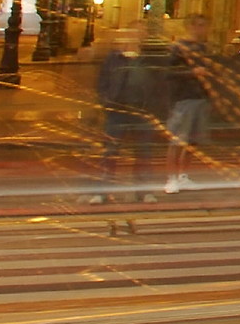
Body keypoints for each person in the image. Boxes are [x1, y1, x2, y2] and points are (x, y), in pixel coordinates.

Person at [89, 25, 150, 200]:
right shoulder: (114, 58)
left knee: (143, 152)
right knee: (110, 151)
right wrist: (105, 101)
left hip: (140, 109)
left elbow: (156, 83)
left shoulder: (146, 58)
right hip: (117, 108)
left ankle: (144, 191)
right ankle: (102, 191)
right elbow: (103, 80)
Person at [163, 15, 215, 193]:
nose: (203, 29)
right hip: (183, 98)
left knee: (193, 140)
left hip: (200, 96)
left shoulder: (202, 47)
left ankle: (183, 175)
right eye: (199, 25)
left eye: (205, 26)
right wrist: (192, 72)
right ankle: (171, 178)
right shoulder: (178, 47)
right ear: (190, 26)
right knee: (178, 139)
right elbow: (169, 72)